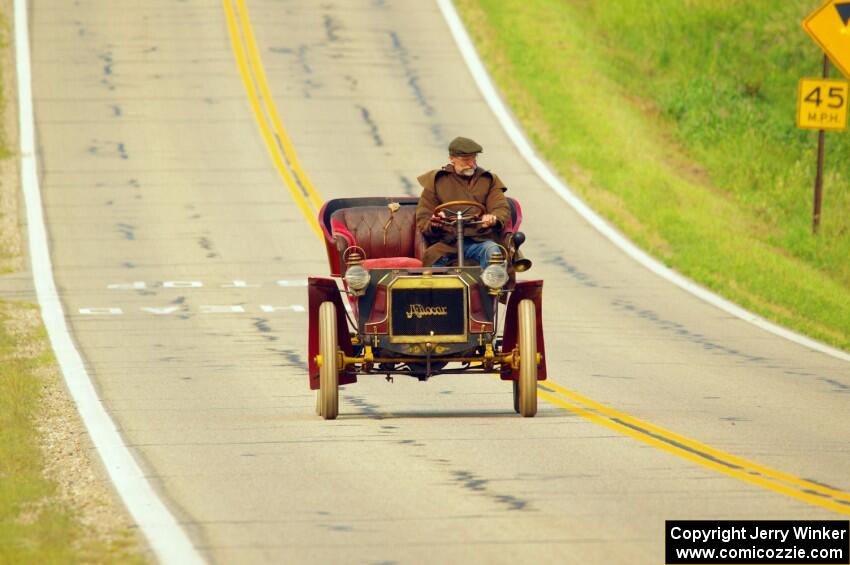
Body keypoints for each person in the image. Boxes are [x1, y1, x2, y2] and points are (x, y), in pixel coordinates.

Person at [415, 137, 511, 267]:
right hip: (448, 244)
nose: (472, 164)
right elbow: (424, 217)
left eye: (474, 159)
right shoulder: (437, 181)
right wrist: (435, 222)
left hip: (480, 241)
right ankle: (439, 288)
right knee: (433, 259)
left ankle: (491, 287)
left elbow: (500, 207)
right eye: (466, 160)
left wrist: (493, 218)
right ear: (452, 159)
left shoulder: (488, 180)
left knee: (493, 252)